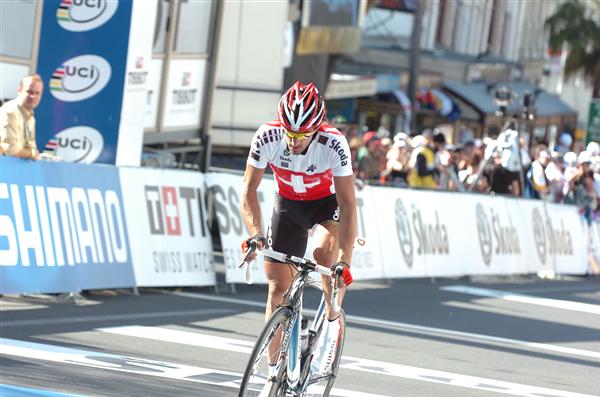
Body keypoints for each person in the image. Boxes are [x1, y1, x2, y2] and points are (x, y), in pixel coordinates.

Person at [240, 81, 356, 381]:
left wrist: (345, 259)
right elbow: (248, 190)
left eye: (302, 135)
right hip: (288, 206)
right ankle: (274, 373)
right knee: (277, 290)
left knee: (322, 255)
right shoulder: (267, 136)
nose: (293, 141)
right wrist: (255, 234)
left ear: (316, 129)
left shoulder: (334, 143)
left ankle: (331, 323)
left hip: (326, 206)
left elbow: (347, 204)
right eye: (289, 133)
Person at [0, 74, 43, 159]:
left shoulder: (30, 115)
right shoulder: (11, 111)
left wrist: (32, 153)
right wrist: (33, 154)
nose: (33, 96)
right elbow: (12, 150)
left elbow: (31, 146)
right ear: (19, 90)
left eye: (37, 93)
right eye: (29, 91)